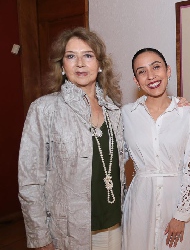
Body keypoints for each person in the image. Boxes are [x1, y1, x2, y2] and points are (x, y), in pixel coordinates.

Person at [18, 27, 125, 250]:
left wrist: (174, 107)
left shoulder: (115, 111)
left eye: (88, 55)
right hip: (67, 233)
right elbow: (30, 181)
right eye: (70, 56)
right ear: (63, 66)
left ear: (101, 64)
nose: (80, 64)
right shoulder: (44, 109)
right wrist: (40, 237)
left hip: (114, 225)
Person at [121, 48, 190, 250]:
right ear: (136, 81)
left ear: (168, 71)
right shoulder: (126, 115)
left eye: (156, 67)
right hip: (141, 202)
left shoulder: (187, 114)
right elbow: (114, 156)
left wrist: (181, 215)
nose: (151, 76)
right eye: (142, 71)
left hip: (175, 201)